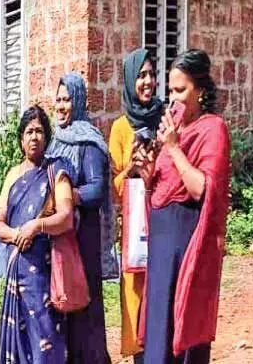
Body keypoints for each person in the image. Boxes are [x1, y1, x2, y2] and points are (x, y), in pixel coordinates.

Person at [138, 50, 230, 363]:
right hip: (162, 240)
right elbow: (162, 187)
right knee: (159, 321)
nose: (173, 99)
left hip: (186, 238)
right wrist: (148, 173)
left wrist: (175, 149)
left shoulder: (212, 129)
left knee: (182, 319)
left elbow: (201, 189)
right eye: (171, 91)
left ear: (201, 91)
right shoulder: (172, 126)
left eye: (181, 90)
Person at [0, 106, 75, 364]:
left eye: (39, 131)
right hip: (16, 272)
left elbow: (66, 217)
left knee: (45, 343)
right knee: (18, 347)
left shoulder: (55, 173)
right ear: (21, 139)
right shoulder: (12, 175)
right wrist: (19, 232)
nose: (34, 137)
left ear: (47, 137)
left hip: (43, 276)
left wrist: (36, 226)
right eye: (29, 131)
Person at [46, 73, 111, 363]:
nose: (61, 106)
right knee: (63, 308)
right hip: (61, 240)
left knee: (86, 311)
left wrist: (68, 195)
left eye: (67, 99)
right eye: (58, 99)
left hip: (83, 241)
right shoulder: (54, 142)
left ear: (79, 101)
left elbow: (97, 189)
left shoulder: (88, 140)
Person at [109, 48, 162, 363]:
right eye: (141, 75)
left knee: (162, 290)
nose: (147, 82)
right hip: (134, 229)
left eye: (152, 75)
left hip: (163, 218)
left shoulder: (164, 117)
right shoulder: (119, 128)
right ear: (130, 80)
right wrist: (131, 166)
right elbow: (114, 187)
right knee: (134, 298)